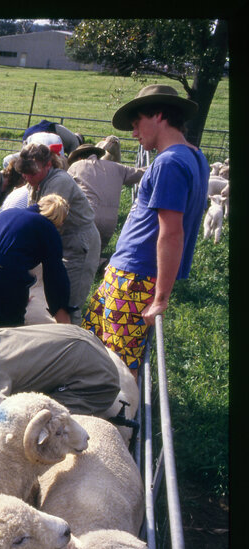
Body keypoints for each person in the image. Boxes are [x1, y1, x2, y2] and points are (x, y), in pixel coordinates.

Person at [82, 84, 210, 373]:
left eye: (137, 122)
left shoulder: (170, 162)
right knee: (93, 345)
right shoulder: (193, 156)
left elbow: (172, 232)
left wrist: (161, 298)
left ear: (159, 116)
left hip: (135, 278)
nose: (134, 133)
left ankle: (122, 415)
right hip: (126, 271)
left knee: (119, 365)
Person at [0, 194, 72, 338]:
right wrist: (63, 318)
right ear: (59, 220)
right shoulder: (49, 229)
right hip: (3, 272)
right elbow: (55, 277)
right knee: (8, 334)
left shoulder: (8, 213)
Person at [15, 142, 100, 326]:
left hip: (78, 243)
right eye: (24, 172)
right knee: (54, 296)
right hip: (59, 239)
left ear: (48, 165)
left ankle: (72, 345)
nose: (27, 177)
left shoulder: (59, 182)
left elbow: (46, 223)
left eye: (32, 173)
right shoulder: (36, 181)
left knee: (69, 301)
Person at [66, 143, 146, 251]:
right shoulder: (118, 168)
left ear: (79, 158)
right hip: (110, 222)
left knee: (76, 254)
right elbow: (141, 172)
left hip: (86, 217)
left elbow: (65, 189)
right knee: (96, 253)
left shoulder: (76, 166)